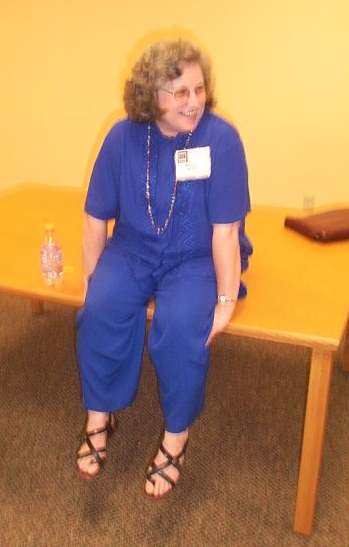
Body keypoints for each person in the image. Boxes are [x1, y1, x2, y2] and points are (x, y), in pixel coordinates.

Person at [76, 38, 252, 499]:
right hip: (133, 248)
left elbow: (226, 234)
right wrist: (92, 281)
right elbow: (95, 217)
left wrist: (226, 300)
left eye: (199, 89)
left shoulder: (221, 139)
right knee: (101, 308)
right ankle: (100, 415)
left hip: (197, 255)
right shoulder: (122, 137)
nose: (194, 102)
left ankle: (176, 435)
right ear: (150, 95)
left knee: (179, 327)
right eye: (180, 93)